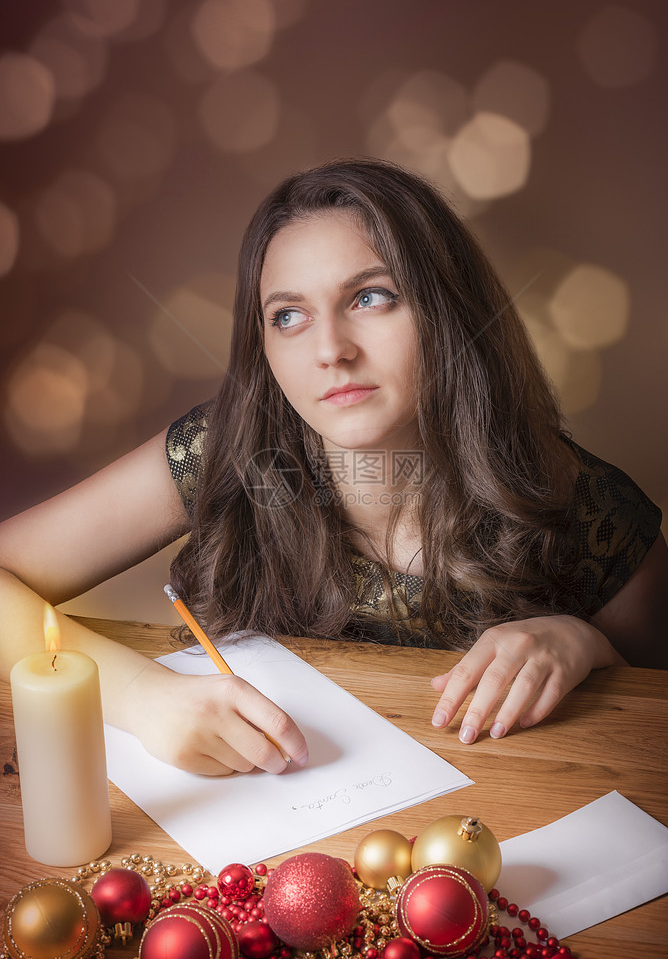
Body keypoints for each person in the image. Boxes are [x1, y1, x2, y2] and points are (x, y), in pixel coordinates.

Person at [1, 158, 666, 776]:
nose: (330, 351)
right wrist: (145, 697)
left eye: (370, 298)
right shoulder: (225, 448)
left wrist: (587, 647)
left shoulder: (591, 509)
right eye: (288, 315)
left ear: (449, 309)